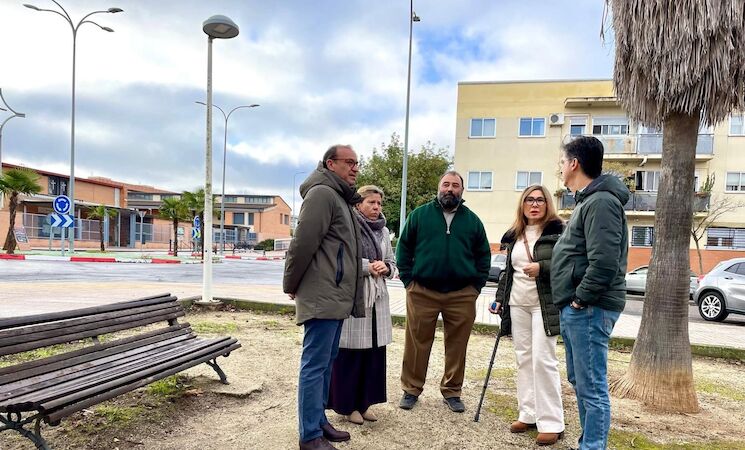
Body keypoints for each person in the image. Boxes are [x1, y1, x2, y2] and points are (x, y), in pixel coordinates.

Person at [283, 144, 366, 450]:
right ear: (331, 164)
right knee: (314, 365)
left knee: (326, 363)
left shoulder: (339, 196)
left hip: (335, 293)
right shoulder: (322, 194)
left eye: (357, 163)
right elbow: (302, 244)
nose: (355, 168)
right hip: (323, 294)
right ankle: (309, 436)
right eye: (349, 162)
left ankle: (319, 421)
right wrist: (291, 282)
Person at [551, 136, 629, 450]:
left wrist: (579, 299)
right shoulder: (589, 201)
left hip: (589, 308)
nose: (560, 168)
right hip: (580, 308)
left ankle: (593, 446)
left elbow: (605, 262)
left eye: (561, 162)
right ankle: (588, 443)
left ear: (574, 164)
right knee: (582, 383)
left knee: (592, 386)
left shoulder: (600, 202)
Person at [397, 170, 491, 413]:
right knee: (416, 343)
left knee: (457, 345)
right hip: (422, 292)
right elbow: (404, 248)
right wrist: (408, 281)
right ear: (439, 188)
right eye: (446, 184)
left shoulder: (472, 221)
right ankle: (411, 389)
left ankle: (452, 391)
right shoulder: (419, 215)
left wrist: (476, 287)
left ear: (462, 190)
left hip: (461, 294)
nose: (450, 189)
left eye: (455, 185)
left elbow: (483, 255)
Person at [489, 184, 565, 446]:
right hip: (517, 303)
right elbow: (508, 272)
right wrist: (500, 298)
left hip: (544, 305)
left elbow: (569, 263)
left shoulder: (558, 232)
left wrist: (542, 267)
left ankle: (552, 422)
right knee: (524, 359)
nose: (534, 204)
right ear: (522, 205)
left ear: (547, 204)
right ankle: (528, 414)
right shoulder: (515, 234)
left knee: (544, 360)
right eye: (529, 200)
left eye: (540, 200)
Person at [327, 185, 398, 425]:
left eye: (379, 203)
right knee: (351, 353)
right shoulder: (348, 226)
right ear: (359, 204)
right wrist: (368, 267)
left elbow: (391, 261)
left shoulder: (384, 231)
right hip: (355, 296)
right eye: (371, 202)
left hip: (378, 299)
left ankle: (365, 403)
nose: (377, 207)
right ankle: (348, 406)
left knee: (373, 354)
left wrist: (386, 267)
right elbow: (341, 260)